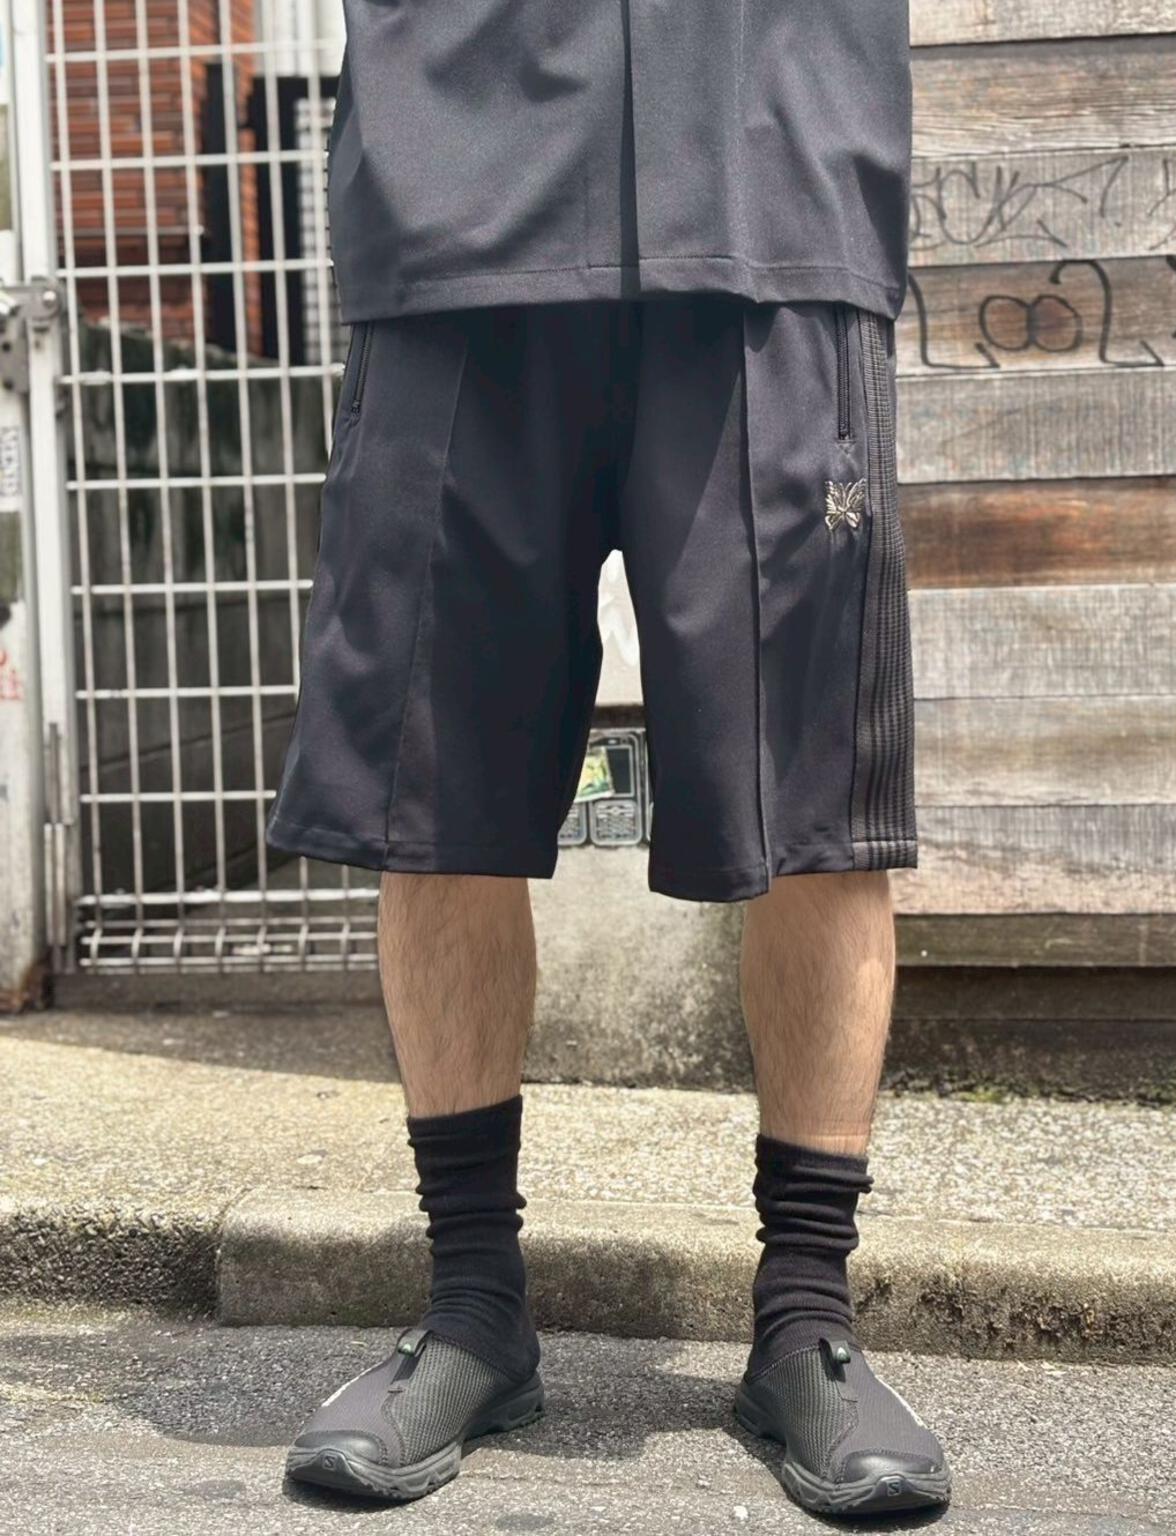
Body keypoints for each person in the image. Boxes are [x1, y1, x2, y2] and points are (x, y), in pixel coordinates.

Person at [265, 1, 950, 1518]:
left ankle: (807, 1321)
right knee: (433, 795)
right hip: (462, 178)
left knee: (815, 800)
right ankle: (471, 1308)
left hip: (770, 176)